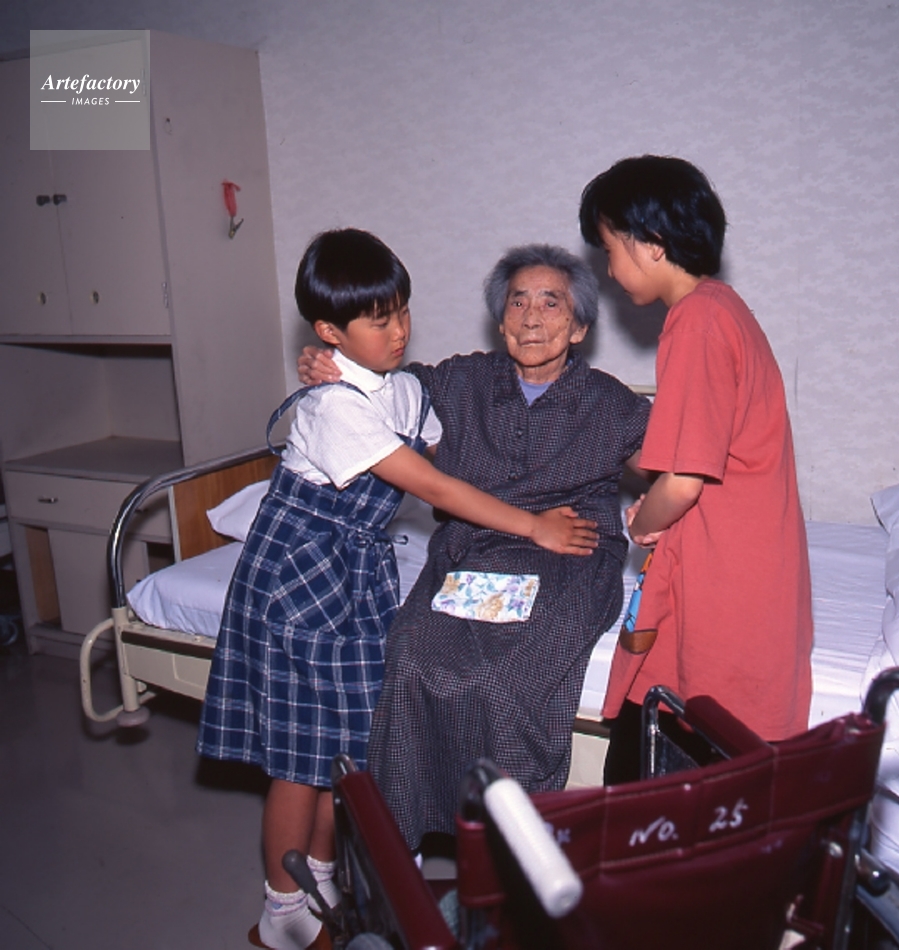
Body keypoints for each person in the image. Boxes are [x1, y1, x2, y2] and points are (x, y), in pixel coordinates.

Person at [197, 230, 598, 950]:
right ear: (329, 333)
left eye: (403, 312)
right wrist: (533, 526)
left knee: (348, 745)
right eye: (379, 321)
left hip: (354, 578)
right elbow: (437, 486)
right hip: (299, 583)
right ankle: (281, 912)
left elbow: (454, 446)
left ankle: (322, 881)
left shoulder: (405, 389)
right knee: (298, 762)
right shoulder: (332, 408)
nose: (400, 331)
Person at [298, 243, 650, 850]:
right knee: (410, 657)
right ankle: (398, 848)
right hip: (474, 548)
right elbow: (380, 386)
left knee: (512, 676)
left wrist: (663, 509)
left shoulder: (611, 403)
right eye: (518, 302)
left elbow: (672, 464)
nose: (531, 318)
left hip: (567, 554)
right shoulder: (461, 381)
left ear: (580, 326)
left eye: (551, 303)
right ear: (499, 319)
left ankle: (513, 848)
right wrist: (327, 362)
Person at [578, 155, 813, 782]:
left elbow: (682, 483)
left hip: (728, 571)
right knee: (652, 714)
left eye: (610, 250)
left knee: (681, 759)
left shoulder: (696, 323)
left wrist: (639, 523)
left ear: (651, 243)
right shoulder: (723, 307)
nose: (609, 270)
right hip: (738, 552)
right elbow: (701, 460)